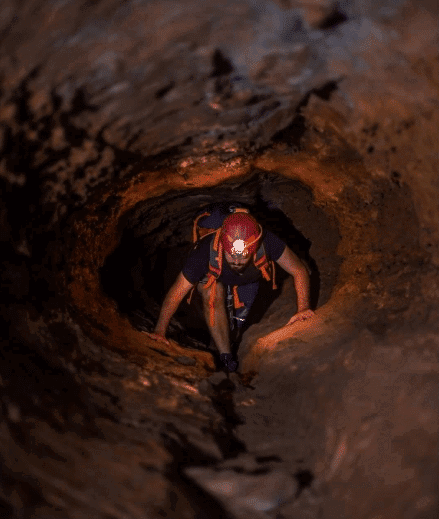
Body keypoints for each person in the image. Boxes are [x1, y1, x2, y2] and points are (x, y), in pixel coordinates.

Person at [144, 208, 314, 372]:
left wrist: (303, 308)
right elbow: (178, 291)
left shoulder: (267, 241)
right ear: (223, 245)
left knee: (238, 323)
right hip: (214, 276)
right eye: (232, 255)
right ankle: (226, 357)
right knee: (212, 293)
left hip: (249, 281)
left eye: (244, 255)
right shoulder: (204, 251)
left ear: (254, 247)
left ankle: (229, 340)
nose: (238, 261)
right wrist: (160, 330)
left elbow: (299, 269)